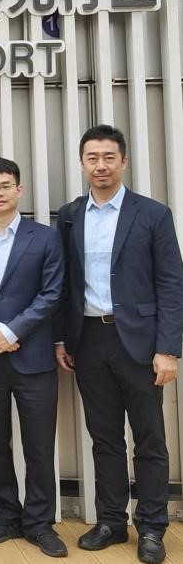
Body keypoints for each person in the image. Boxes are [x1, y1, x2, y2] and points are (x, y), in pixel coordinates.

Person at [56, 125, 183, 564]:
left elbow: (171, 283)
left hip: (141, 343)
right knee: (104, 436)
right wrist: (62, 337)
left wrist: (168, 348)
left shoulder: (152, 214)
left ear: (123, 162)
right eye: (92, 158)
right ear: (82, 163)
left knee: (149, 439)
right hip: (89, 340)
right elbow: (65, 284)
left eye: (109, 157)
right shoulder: (70, 215)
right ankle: (111, 520)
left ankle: (151, 527)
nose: (101, 165)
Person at [0, 157, 66, 558]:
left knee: (39, 445)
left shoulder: (46, 237)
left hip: (33, 358)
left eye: (5, 185)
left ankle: (39, 522)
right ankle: (4, 515)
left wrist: (13, 330)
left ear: (19, 189)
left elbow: (53, 293)